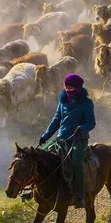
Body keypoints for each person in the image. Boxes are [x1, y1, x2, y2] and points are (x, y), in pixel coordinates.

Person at [39, 74, 95, 208]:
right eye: (66, 86)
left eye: (70, 87)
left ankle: (80, 196)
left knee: (76, 163)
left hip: (78, 139)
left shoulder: (86, 103)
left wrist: (81, 128)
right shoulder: (62, 101)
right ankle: (33, 190)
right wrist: (46, 136)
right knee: (41, 156)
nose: (67, 89)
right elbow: (56, 120)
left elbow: (91, 123)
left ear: (78, 88)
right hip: (62, 138)